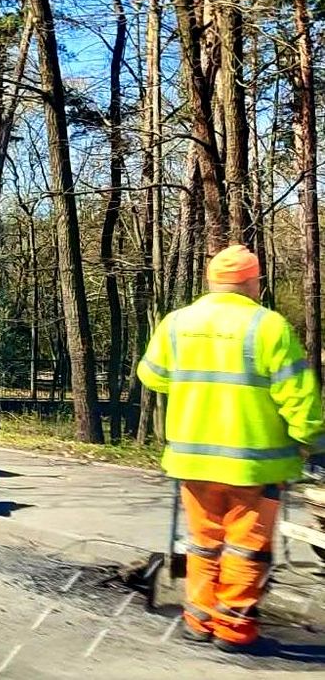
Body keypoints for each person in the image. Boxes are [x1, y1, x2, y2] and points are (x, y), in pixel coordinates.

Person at [138, 244, 325, 653]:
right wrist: (314, 442)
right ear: (251, 282)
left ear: (211, 281)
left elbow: (151, 376)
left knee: (203, 542)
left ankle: (197, 621)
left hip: (193, 461)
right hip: (254, 467)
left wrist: (193, 386)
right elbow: (297, 395)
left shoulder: (176, 323)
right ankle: (234, 632)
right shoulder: (268, 326)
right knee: (246, 549)